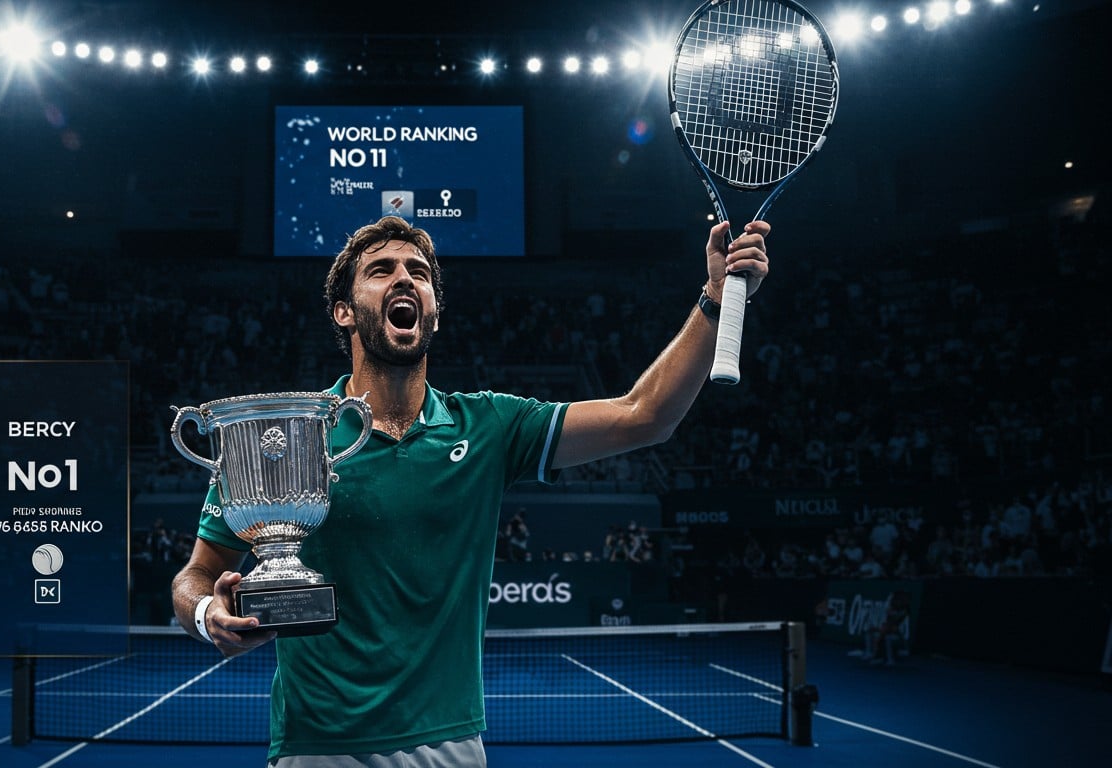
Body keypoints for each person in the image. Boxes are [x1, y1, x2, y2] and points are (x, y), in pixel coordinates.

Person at [171, 213, 770, 766]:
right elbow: (196, 574)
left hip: (450, 747)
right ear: (344, 312)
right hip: (318, 748)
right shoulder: (286, 438)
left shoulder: (490, 426)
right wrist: (207, 614)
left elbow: (646, 415)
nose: (405, 279)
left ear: (434, 308)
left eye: (420, 273)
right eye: (381, 270)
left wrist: (714, 299)